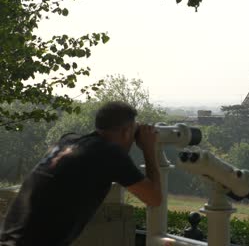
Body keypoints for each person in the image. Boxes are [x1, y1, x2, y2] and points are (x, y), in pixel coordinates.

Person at [0, 101, 161, 246]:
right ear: (126, 132)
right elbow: (154, 198)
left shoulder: (67, 141)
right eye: (133, 134)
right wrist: (149, 149)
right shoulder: (109, 153)